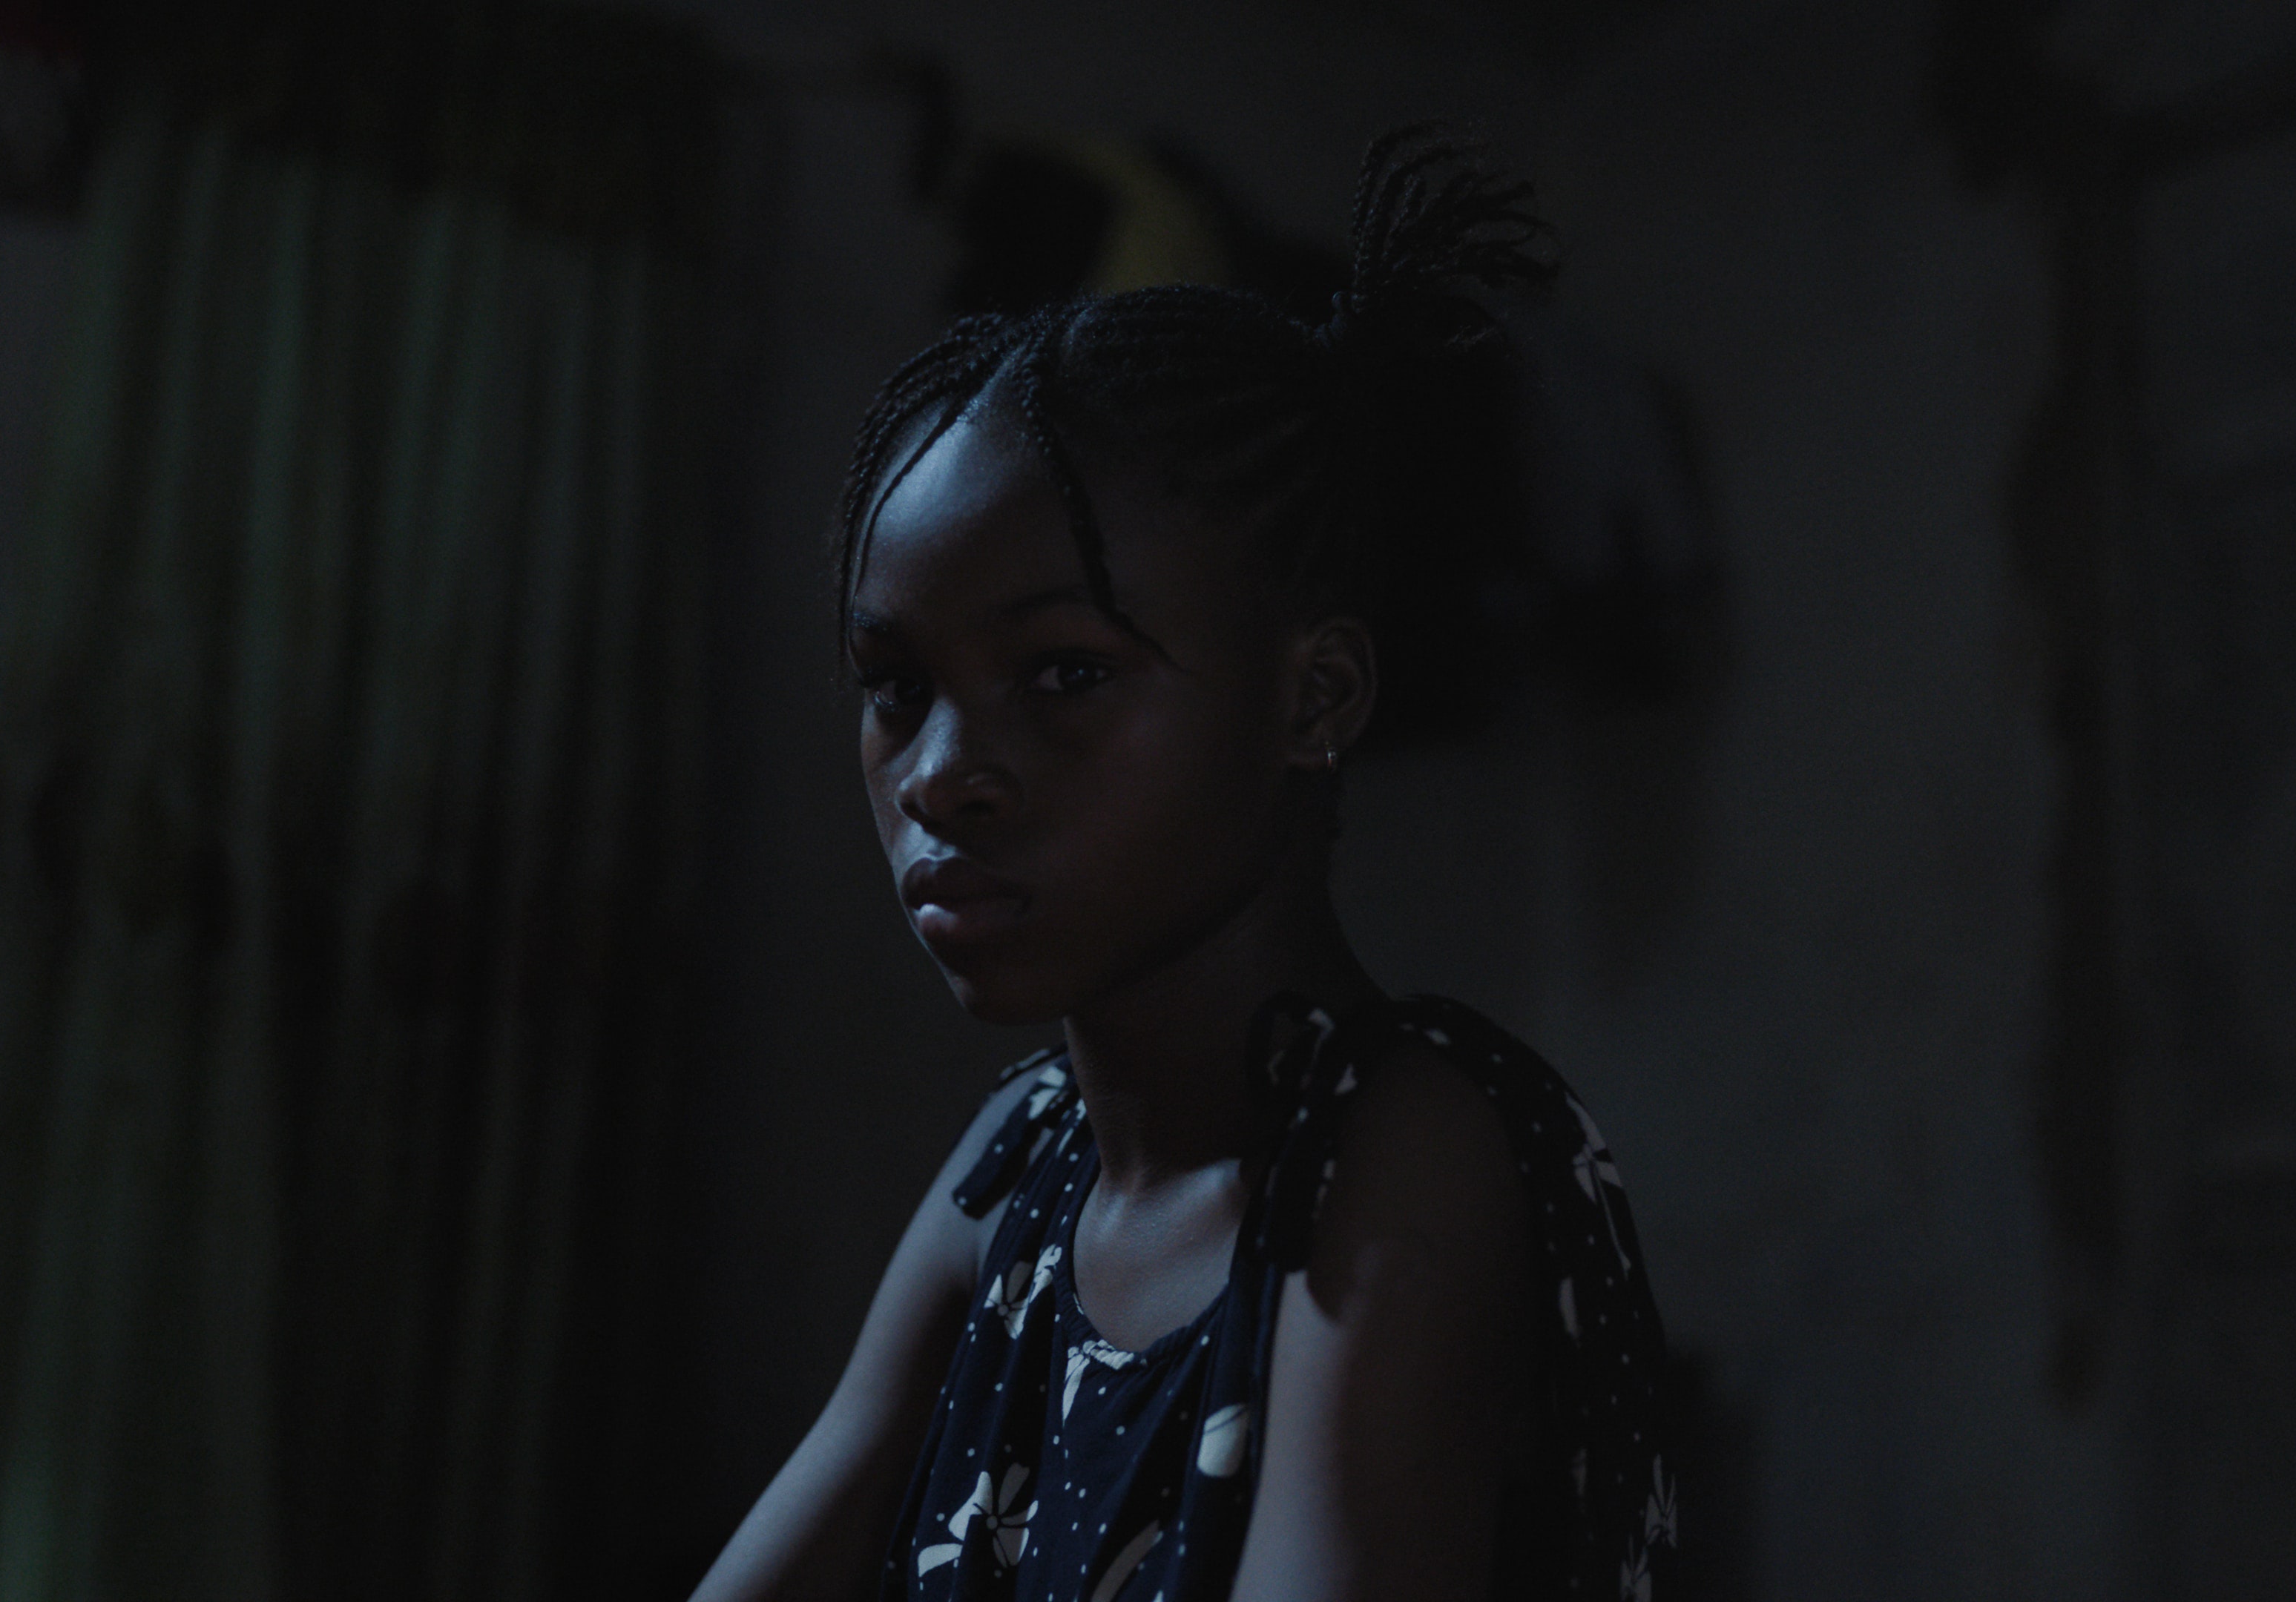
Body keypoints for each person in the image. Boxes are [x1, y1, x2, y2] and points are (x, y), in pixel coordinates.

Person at [691, 127, 1675, 1602]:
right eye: (896, 687)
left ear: (1314, 699)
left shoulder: (1407, 1148)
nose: (941, 773)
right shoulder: (1018, 1169)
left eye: (1068, 675)